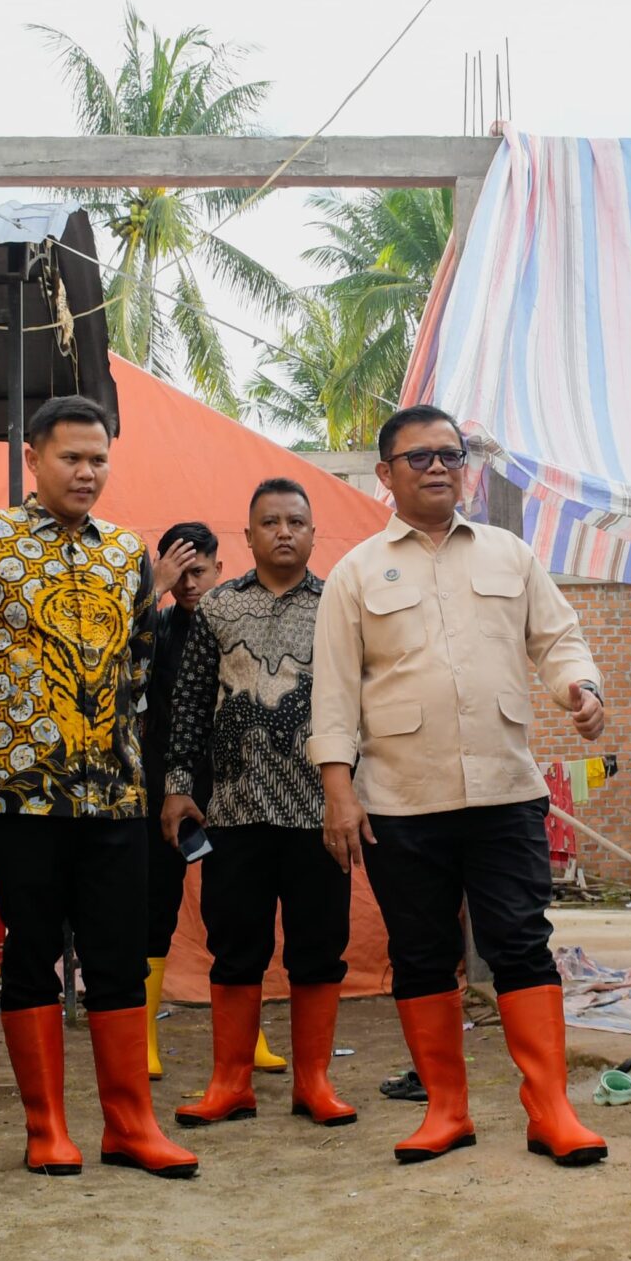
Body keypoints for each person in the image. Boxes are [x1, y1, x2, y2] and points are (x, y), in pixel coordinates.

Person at [308, 405, 609, 1168]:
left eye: (451, 454)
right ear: (386, 475)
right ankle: (446, 1110)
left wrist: (580, 687)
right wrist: (338, 792)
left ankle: (550, 1110)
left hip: (506, 790)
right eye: (419, 458)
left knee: (520, 942)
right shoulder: (356, 573)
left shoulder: (509, 555)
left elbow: (559, 637)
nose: (439, 467)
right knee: (421, 953)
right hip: (401, 800)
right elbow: (336, 694)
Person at [0, 396, 197, 1180]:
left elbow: (141, 657)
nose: (86, 471)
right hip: (18, 794)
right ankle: (47, 1130)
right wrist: (10, 728)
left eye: (99, 459)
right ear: (33, 458)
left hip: (112, 791)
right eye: (71, 457)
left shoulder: (124, 553)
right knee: (32, 949)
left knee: (115, 952)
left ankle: (130, 1125)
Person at [162, 479, 355, 1130]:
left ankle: (314, 1083)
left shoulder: (339, 608)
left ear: (311, 532)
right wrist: (179, 787)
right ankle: (230, 1083)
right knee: (235, 947)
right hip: (234, 812)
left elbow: (360, 707)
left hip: (317, 814)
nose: (283, 532)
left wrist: (353, 795)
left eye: (295, 521)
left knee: (319, 948)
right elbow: (186, 707)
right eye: (269, 522)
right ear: (247, 536)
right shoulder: (217, 609)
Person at [138, 521, 281, 1077]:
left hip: (236, 786)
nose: (189, 584)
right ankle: (144, 1037)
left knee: (240, 912)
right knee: (154, 908)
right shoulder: (157, 625)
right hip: (162, 788)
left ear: (221, 567)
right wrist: (153, 589)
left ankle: (252, 1036)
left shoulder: (242, 621)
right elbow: (107, 658)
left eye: (198, 571)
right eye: (179, 575)